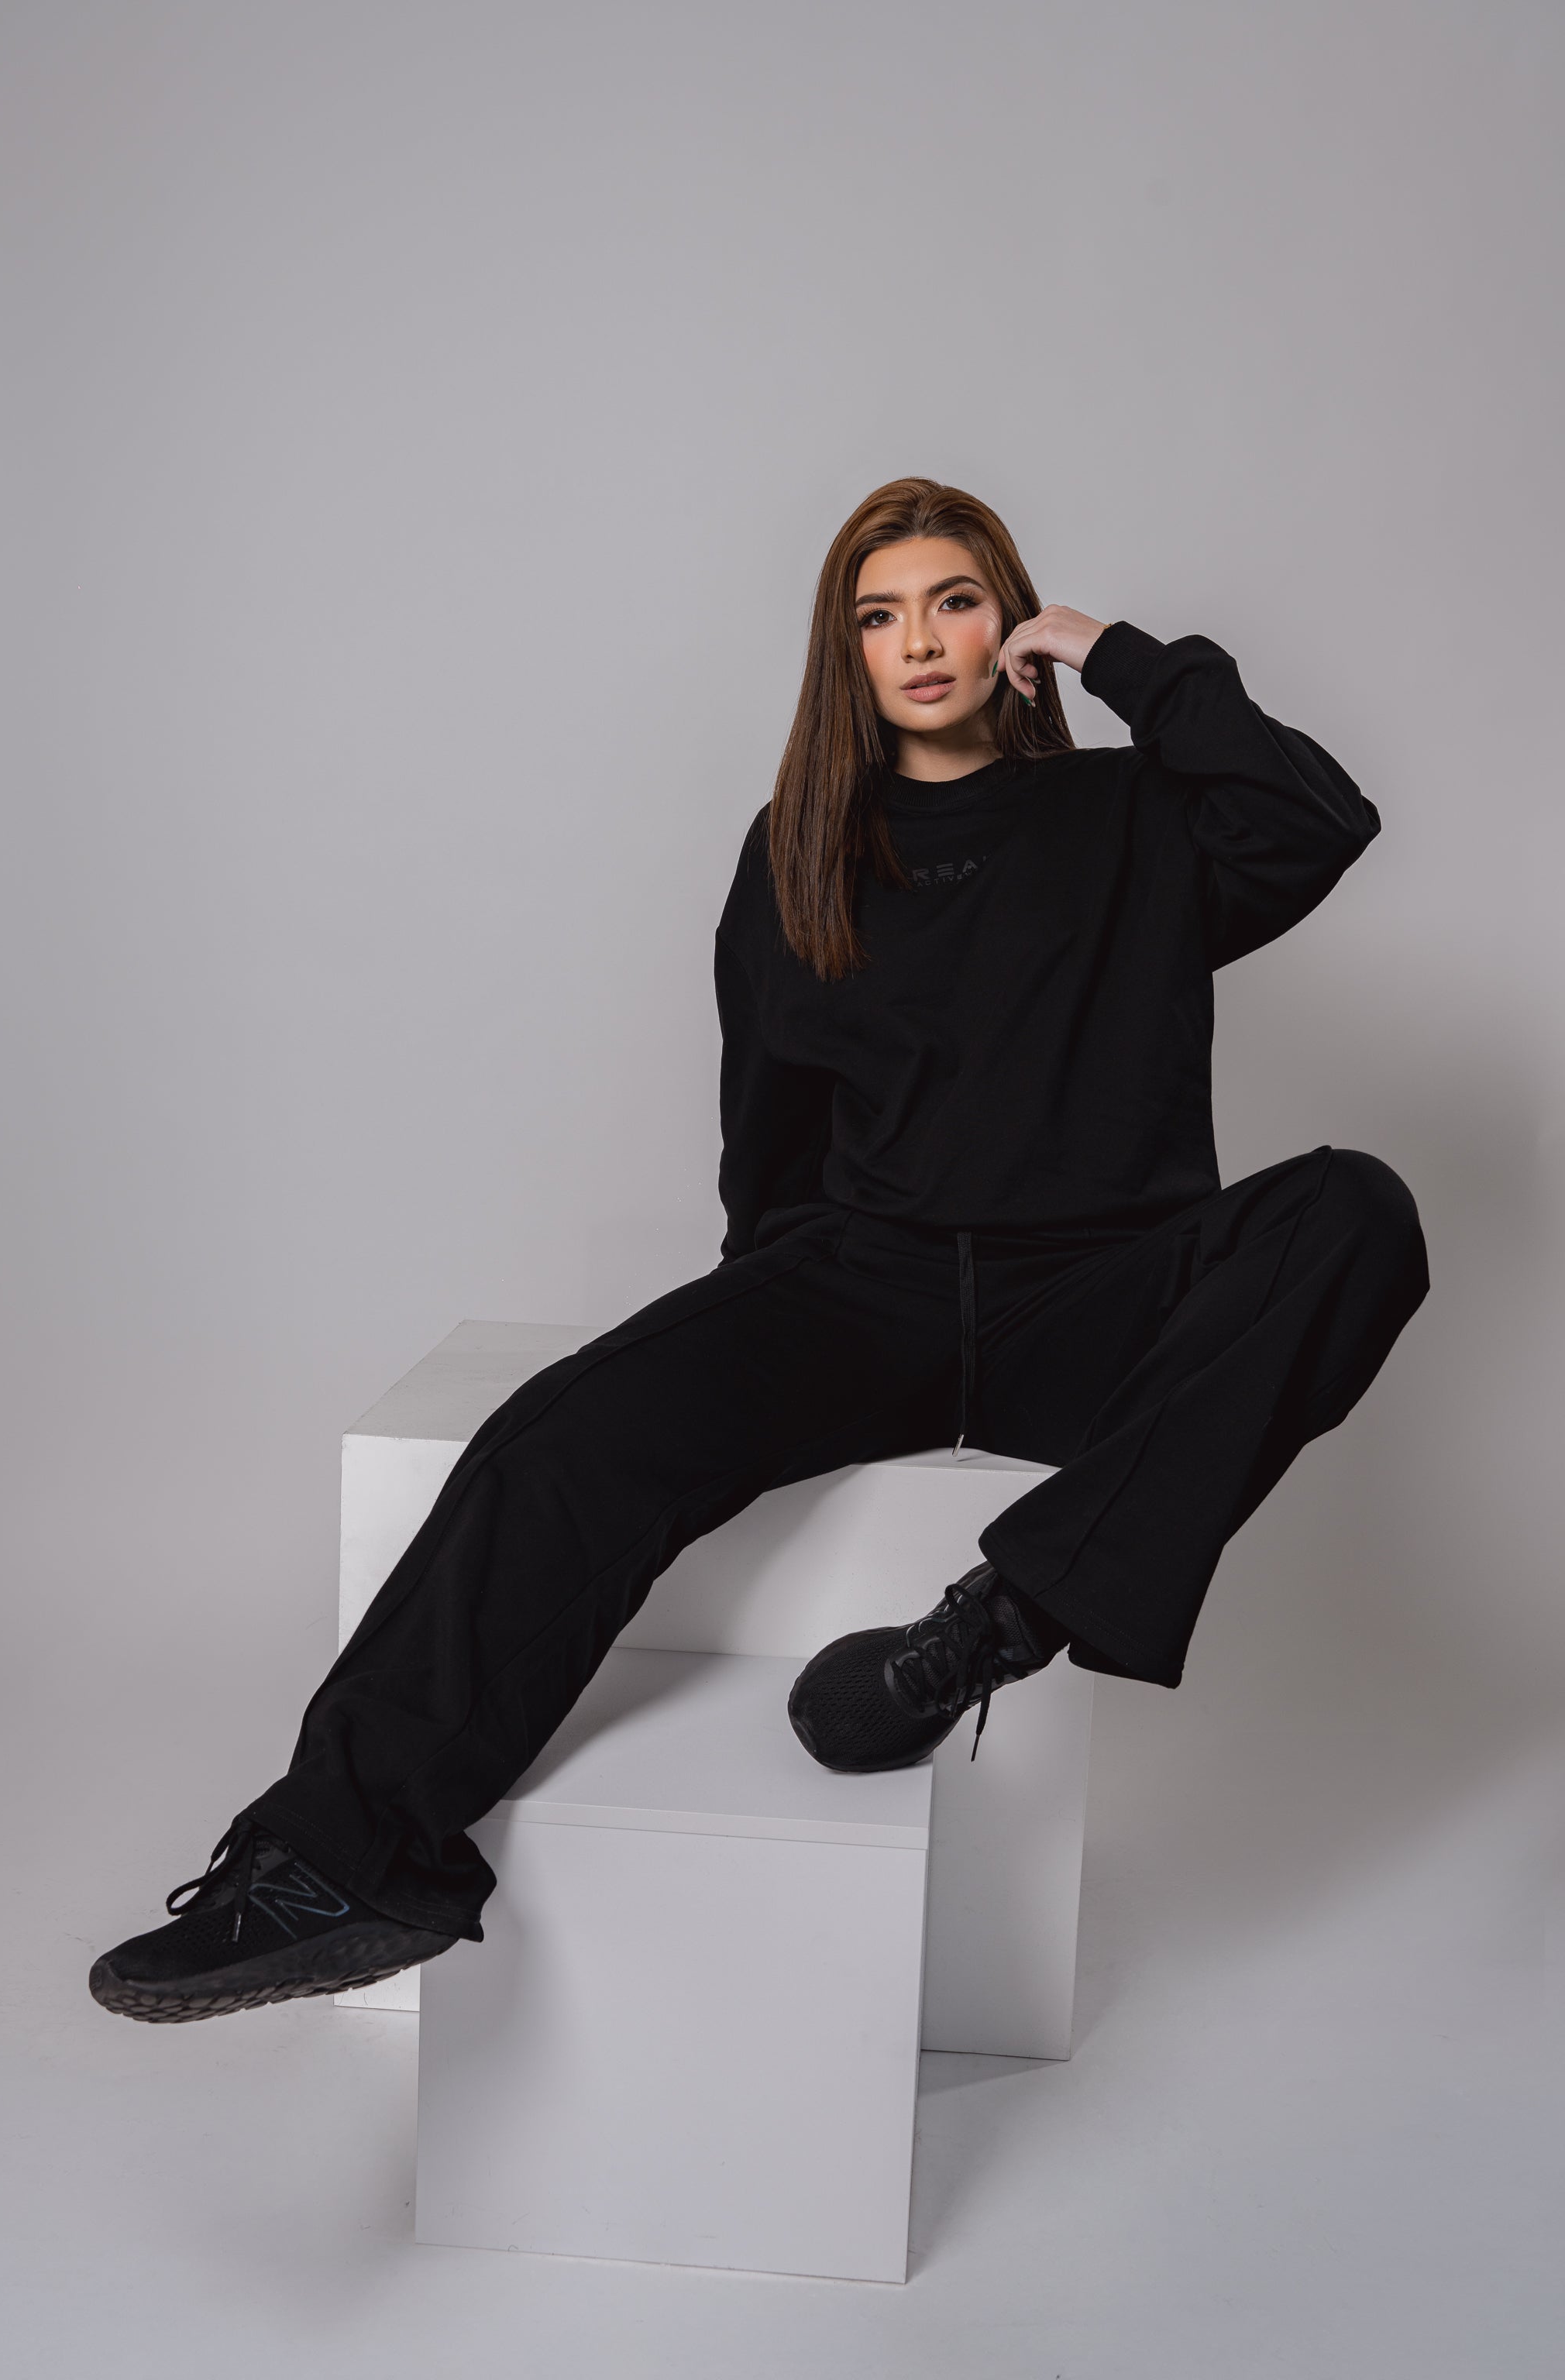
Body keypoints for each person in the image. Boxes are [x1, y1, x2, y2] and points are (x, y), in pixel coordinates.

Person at [90, 477, 1429, 2024]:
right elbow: (770, 1126)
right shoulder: (798, 848)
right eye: (879, 616)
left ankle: (995, 1626)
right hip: (861, 1288)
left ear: (1010, 628)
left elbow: (1318, 818)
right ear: (842, 653)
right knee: (560, 1436)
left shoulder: (1132, 816)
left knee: (1355, 1211)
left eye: (954, 602)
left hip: (1099, 1290)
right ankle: (335, 1865)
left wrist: (1124, 655)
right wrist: (739, 1357)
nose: (918, 640)